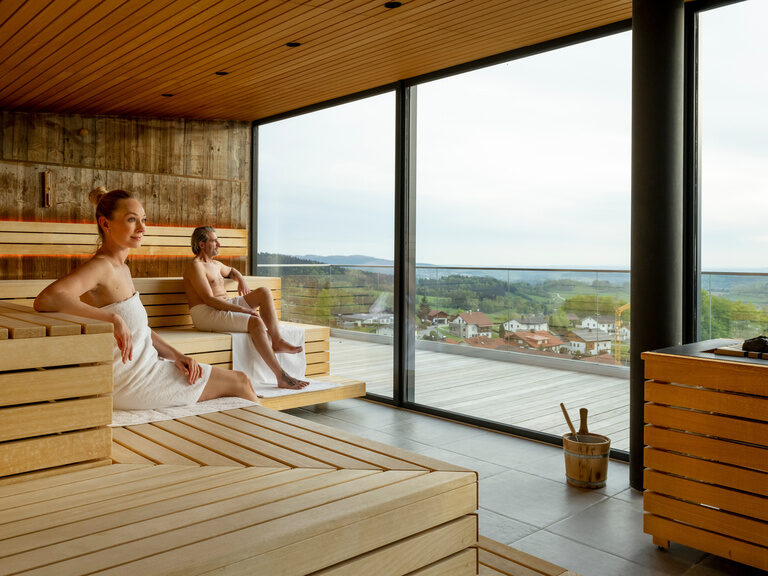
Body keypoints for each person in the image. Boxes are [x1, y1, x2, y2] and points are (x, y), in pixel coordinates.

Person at [34, 188, 259, 410]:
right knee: (240, 382)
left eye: (143, 219)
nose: (142, 228)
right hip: (132, 380)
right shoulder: (101, 266)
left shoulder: (121, 268)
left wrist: (177, 355)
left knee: (239, 384)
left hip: (146, 367)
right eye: (132, 220)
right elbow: (47, 298)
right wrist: (111, 318)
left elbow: (139, 330)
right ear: (105, 224)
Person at [183, 226, 309, 390]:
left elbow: (232, 271)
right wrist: (244, 311)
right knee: (255, 323)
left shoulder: (216, 264)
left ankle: (277, 341)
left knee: (263, 292)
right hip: (206, 312)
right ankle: (281, 376)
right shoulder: (195, 267)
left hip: (223, 306)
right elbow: (210, 300)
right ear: (201, 244)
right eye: (214, 241)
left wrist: (241, 279)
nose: (218, 243)